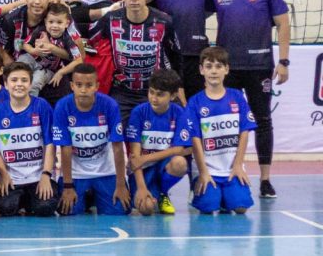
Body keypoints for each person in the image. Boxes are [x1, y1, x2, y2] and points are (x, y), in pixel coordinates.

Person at [209, 0, 290, 199]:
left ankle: (265, 180)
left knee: (263, 120)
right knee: (225, 122)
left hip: (259, 66)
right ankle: (227, 173)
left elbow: (283, 23)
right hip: (226, 69)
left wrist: (284, 61)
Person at [88, 0, 181, 126]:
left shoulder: (164, 22)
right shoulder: (110, 20)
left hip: (157, 90)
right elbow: (87, 40)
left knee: (178, 127)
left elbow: (176, 57)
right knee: (110, 130)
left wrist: (179, 89)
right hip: (123, 92)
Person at [53, 64, 130, 216]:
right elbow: (65, 149)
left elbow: (117, 146)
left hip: (106, 171)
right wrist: (68, 186)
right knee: (67, 211)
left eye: (89, 85)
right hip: (76, 174)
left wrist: (121, 184)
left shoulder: (110, 105)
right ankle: (88, 196)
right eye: (79, 85)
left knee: (121, 209)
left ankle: (95, 194)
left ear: (97, 86)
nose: (83, 90)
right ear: (72, 86)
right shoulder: (62, 106)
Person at [189, 47, 257, 214]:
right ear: (201, 69)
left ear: (226, 69)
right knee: (208, 207)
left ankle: (227, 196)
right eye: (209, 66)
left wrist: (238, 165)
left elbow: (244, 132)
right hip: (208, 169)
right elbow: (195, 140)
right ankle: (203, 193)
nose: (214, 71)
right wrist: (203, 172)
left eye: (219, 66)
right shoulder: (195, 102)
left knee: (240, 208)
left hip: (231, 167)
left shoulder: (237, 97)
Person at [0, 62, 60, 217]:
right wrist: (4, 175)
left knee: (46, 207)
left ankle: (29, 202)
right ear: (6, 84)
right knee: (4, 207)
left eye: (24, 80)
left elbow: (50, 145)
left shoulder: (42, 106)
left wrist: (46, 175)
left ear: (30, 83)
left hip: (38, 176)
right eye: (14, 80)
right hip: (13, 179)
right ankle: (22, 202)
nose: (19, 84)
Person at [126, 69, 191, 216]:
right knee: (146, 209)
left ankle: (163, 194)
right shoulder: (139, 112)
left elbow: (179, 149)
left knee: (180, 163)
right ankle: (146, 189)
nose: (154, 98)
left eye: (160, 94)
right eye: (152, 92)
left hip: (163, 166)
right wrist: (141, 188)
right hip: (143, 170)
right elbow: (135, 158)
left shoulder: (179, 112)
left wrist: (146, 157)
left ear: (173, 95)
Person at [18, 0, 85, 98]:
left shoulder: (68, 38)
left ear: (67, 23)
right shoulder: (40, 30)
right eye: (51, 22)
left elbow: (79, 60)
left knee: (35, 83)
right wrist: (33, 50)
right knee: (20, 63)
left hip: (48, 69)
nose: (54, 26)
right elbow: (24, 44)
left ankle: (31, 107)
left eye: (59, 22)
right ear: (45, 22)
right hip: (33, 59)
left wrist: (61, 72)